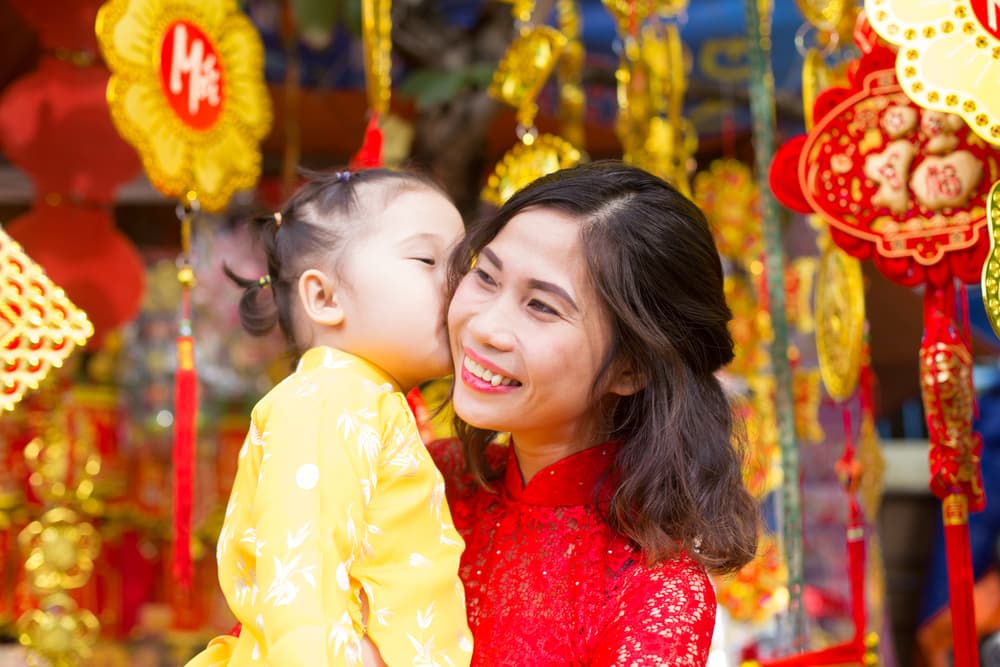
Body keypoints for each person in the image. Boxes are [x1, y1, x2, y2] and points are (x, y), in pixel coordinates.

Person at [431, 160, 759, 665]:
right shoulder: (433, 481)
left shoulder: (655, 593)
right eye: (487, 276)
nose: (484, 327)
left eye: (541, 306)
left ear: (631, 367)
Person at [187, 169, 473, 667]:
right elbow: (303, 569)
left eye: (463, 267)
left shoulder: (365, 399)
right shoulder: (327, 399)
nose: (459, 286)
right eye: (427, 260)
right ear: (324, 298)